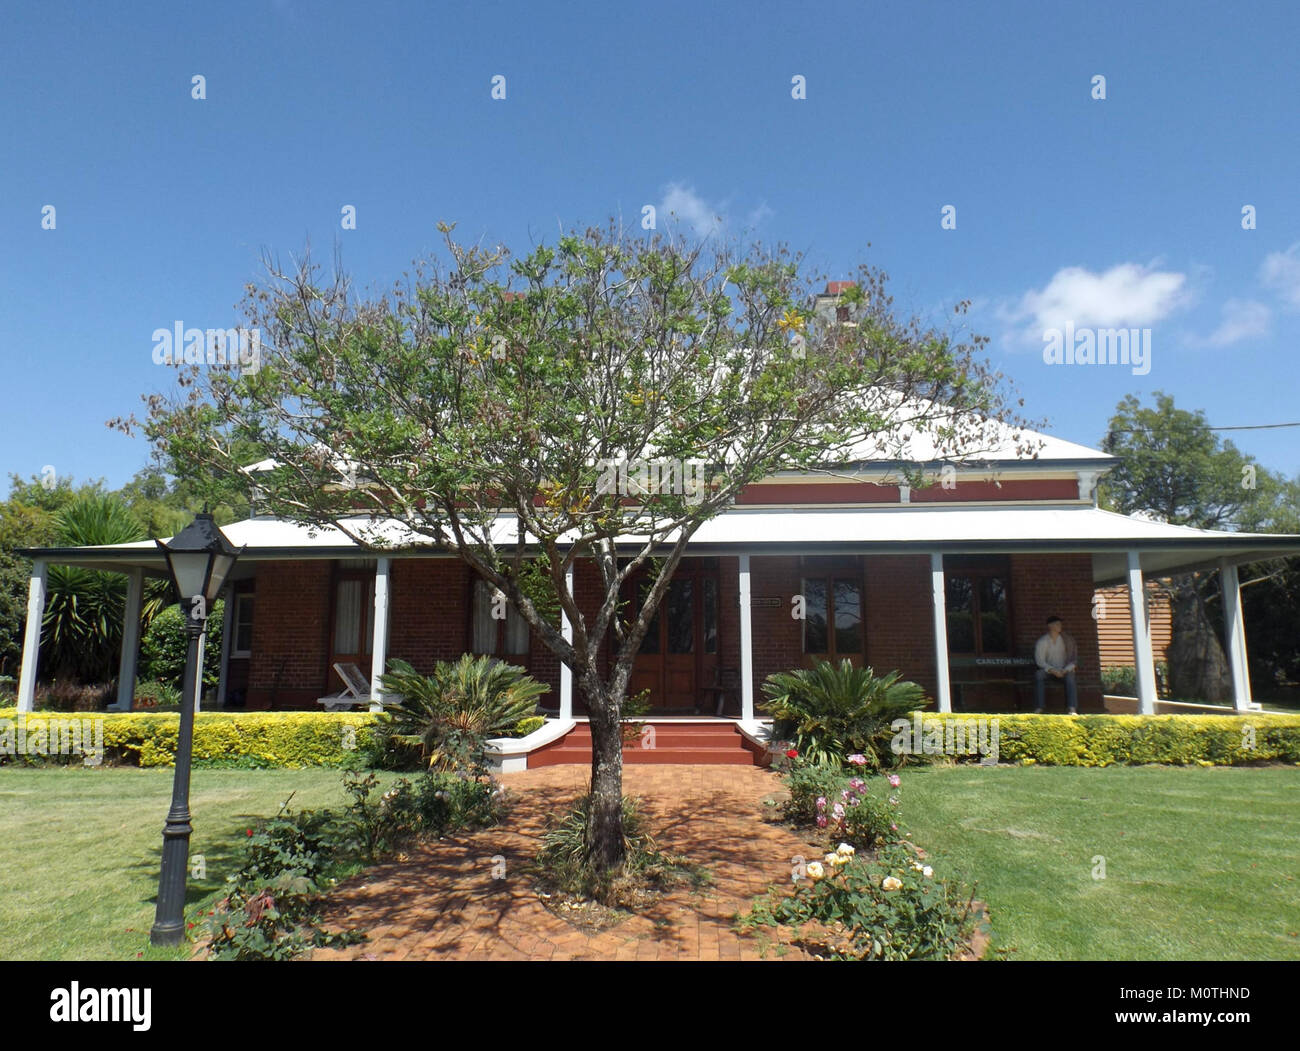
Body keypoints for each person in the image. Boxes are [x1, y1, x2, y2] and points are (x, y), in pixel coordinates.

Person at [1033, 615, 1078, 714]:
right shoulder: (1043, 641)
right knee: (1039, 675)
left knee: (1071, 676)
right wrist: (1052, 670)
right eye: (1057, 624)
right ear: (1050, 626)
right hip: (1049, 671)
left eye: (1060, 624)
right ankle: (1039, 707)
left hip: (1063, 671)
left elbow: (1074, 660)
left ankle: (1072, 708)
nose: (1060, 626)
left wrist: (1065, 670)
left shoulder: (1067, 640)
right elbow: (1040, 661)